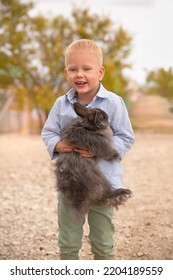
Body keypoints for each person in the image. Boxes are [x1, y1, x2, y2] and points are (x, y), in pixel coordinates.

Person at [41, 39, 135, 260]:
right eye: (73, 69)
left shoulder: (113, 103)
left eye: (86, 68)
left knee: (102, 242)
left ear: (100, 72)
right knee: (68, 241)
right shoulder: (60, 104)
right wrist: (59, 144)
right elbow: (48, 132)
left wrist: (99, 150)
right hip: (70, 185)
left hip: (103, 185)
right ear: (66, 72)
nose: (79, 74)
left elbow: (126, 137)